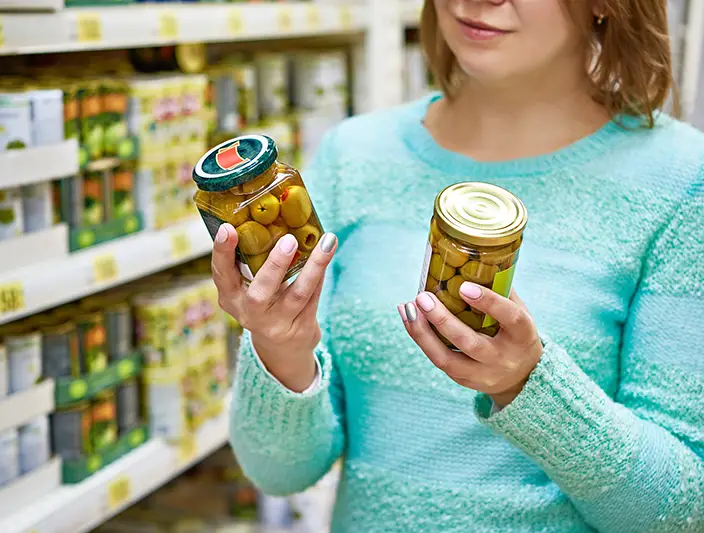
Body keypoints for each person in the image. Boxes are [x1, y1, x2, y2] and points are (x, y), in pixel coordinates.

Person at [212, 0, 704, 531]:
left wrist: (527, 385)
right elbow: (280, 474)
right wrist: (279, 348)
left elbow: (677, 514)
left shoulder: (680, 182)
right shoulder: (354, 155)